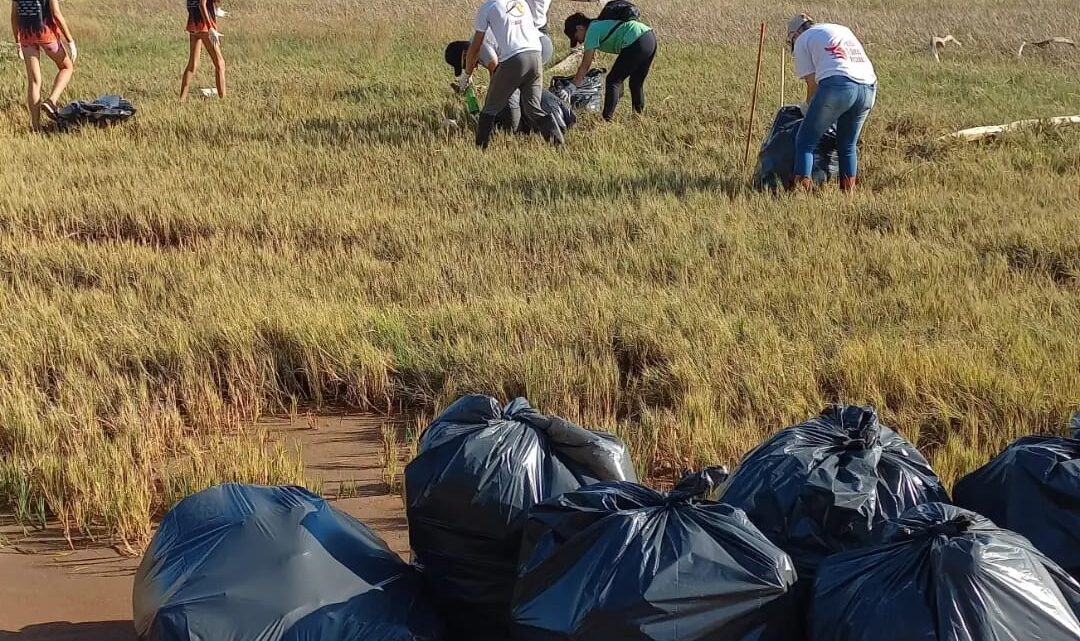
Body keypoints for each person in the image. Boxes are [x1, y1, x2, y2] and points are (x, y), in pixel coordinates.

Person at [787, 14, 876, 192]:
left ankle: (800, 194)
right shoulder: (839, 29)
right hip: (868, 87)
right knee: (847, 145)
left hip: (838, 87)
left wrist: (807, 109)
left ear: (795, 35)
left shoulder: (803, 40)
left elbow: (813, 85)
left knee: (805, 141)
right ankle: (848, 194)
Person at [458, 0, 562, 148]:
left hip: (514, 59)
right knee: (533, 108)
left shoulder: (487, 8)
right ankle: (559, 144)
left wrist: (466, 75)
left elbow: (474, 48)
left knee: (489, 108)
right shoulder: (521, 3)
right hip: (535, 55)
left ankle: (480, 150)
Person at [561, 11, 656, 121]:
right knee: (635, 83)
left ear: (580, 28)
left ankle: (606, 120)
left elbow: (585, 65)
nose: (579, 42)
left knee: (612, 80)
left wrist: (571, 88)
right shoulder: (598, 24)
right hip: (649, 37)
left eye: (577, 37)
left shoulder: (591, 31)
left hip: (636, 41)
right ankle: (638, 118)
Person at [11, 0, 76, 130]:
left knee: (34, 81)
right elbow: (56, 15)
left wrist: (17, 42)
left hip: (26, 35)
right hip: (46, 33)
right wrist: (70, 41)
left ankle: (36, 127)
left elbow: (14, 18)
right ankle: (51, 101)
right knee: (67, 67)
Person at [445, 36, 522, 132]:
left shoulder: (481, 47)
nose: (475, 68)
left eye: (464, 64)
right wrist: (465, 83)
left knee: (509, 128)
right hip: (520, 63)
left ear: (466, 55)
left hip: (521, 62)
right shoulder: (473, 46)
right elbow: (470, 69)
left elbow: (497, 75)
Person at [179, 0, 226, 101]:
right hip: (205, 28)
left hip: (193, 25)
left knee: (192, 65)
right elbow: (202, 4)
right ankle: (223, 99)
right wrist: (210, 28)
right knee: (220, 63)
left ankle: (181, 100)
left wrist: (215, 10)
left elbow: (191, 5)